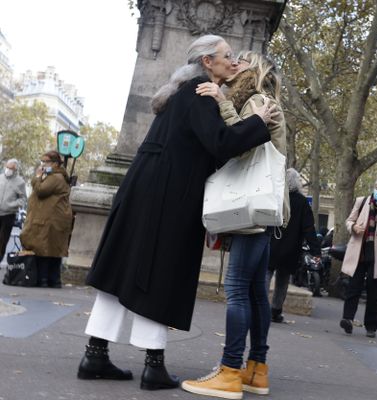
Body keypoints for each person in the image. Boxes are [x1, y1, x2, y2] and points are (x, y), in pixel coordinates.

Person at [77, 35, 275, 391]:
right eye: (227, 56)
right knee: (161, 271)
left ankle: (95, 352)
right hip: (169, 196)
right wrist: (258, 121)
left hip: (142, 189)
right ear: (206, 63)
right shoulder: (200, 91)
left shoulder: (180, 93)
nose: (233, 62)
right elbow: (221, 144)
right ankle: (153, 365)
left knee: (120, 269)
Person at [182, 51, 287, 399]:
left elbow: (241, 144)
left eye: (242, 59)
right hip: (262, 211)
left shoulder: (257, 100)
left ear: (254, 68)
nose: (235, 62)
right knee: (256, 292)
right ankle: (256, 370)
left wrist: (223, 102)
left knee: (238, 289)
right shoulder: (262, 98)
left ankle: (228, 371)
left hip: (251, 210)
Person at [339, 175, 377, 338]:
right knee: (353, 287)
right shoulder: (362, 201)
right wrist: (353, 227)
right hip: (360, 251)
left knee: (374, 293)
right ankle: (347, 319)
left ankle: (371, 327)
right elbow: (349, 220)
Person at [268, 168, 321, 323]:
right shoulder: (302, 202)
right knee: (282, 281)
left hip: (272, 243)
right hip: (290, 248)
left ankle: (260, 308)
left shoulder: (276, 197)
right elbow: (309, 229)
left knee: (265, 275)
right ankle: (276, 311)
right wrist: (316, 251)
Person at [19, 151, 72, 288]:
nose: (42, 164)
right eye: (42, 161)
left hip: (50, 220)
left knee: (44, 249)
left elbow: (41, 190)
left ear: (54, 163)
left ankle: (43, 280)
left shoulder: (56, 177)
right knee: (52, 250)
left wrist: (37, 177)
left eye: (46, 162)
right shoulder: (55, 176)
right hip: (51, 219)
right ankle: (53, 280)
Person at [0, 159, 26, 262]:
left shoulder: (20, 182)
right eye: (7, 167)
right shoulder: (0, 178)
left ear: (15, 169)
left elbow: (23, 199)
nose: (8, 170)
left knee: (2, 241)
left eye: (11, 168)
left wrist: (12, 205)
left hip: (8, 214)